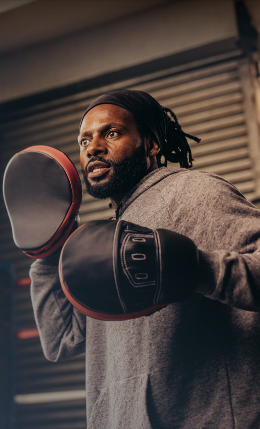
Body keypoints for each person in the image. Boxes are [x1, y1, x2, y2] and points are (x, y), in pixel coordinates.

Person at [29, 90, 260, 428]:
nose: (92, 148)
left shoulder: (192, 192)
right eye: (84, 140)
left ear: (152, 144)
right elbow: (60, 339)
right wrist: (49, 250)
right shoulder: (104, 241)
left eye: (111, 133)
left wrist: (196, 267)